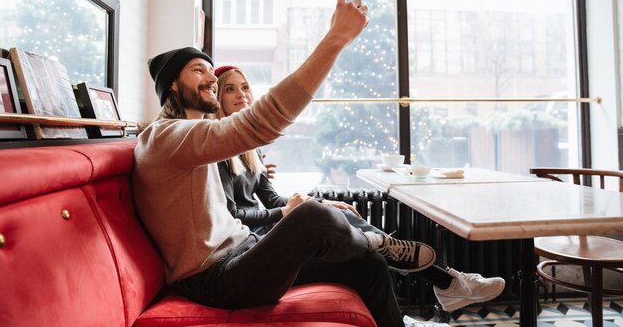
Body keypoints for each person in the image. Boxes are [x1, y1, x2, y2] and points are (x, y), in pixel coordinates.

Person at [134, 0, 436, 327]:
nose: (212, 79)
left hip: (244, 252)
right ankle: (375, 241)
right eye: (197, 71)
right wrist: (334, 39)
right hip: (214, 278)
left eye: (211, 71)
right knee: (314, 216)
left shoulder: (194, 138)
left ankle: (380, 254)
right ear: (172, 86)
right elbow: (262, 122)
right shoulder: (165, 137)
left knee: (368, 267)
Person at [213, 64, 507, 314]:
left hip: (268, 236)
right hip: (258, 248)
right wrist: (286, 212)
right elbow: (233, 213)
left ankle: (439, 284)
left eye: (245, 87)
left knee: (361, 244)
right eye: (230, 89)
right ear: (217, 98)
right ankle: (447, 282)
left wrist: (318, 203)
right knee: (357, 243)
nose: (241, 94)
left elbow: (271, 198)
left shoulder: (250, 149)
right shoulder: (215, 151)